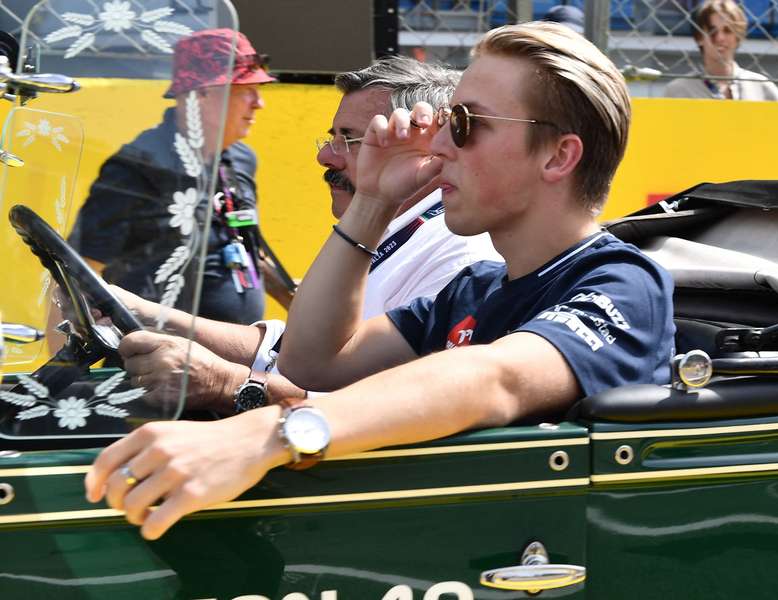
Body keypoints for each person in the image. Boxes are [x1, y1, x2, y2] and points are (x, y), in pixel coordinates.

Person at [85, 22, 676, 541]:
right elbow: (313, 363)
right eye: (446, 121)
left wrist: (272, 431)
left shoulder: (623, 282)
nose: (439, 145)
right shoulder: (476, 288)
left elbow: (493, 379)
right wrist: (372, 198)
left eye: (465, 124)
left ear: (557, 158)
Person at [106, 56, 500, 413]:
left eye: (351, 138)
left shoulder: (459, 257)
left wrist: (227, 384)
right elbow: (287, 351)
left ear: (425, 147)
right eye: (332, 137)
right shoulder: (403, 231)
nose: (325, 156)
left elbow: (395, 410)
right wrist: (142, 312)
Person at [67, 29, 288, 332]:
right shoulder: (139, 167)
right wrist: (70, 366)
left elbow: (245, 249)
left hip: (236, 363)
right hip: (160, 369)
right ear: (199, 95)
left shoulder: (241, 159)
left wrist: (297, 303)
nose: (259, 103)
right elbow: (77, 274)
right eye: (244, 89)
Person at [664, 0, 778, 101]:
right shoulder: (678, 91)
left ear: (737, 37)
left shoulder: (761, 87)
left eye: (727, 30)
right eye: (712, 30)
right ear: (699, 37)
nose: (720, 38)